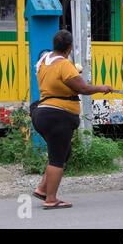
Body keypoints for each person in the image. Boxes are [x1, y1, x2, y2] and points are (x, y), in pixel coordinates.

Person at [31, 30, 113, 209]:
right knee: (57, 158)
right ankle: (51, 199)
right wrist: (102, 87)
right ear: (69, 48)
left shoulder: (44, 60)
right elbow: (82, 88)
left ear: (54, 45)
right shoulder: (65, 65)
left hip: (43, 111)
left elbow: (60, 82)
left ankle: (42, 189)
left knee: (64, 151)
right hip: (57, 115)